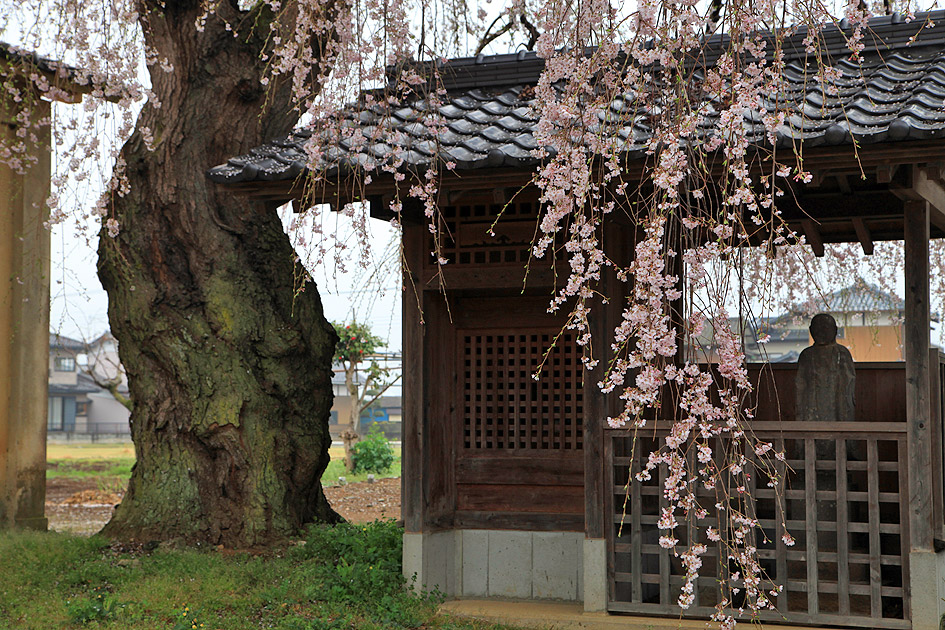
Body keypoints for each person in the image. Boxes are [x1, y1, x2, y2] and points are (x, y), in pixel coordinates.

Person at [795, 313, 855, 422]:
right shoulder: (806, 355)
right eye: (817, 328)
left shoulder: (842, 353)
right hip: (811, 406)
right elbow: (800, 386)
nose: (821, 332)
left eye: (826, 328)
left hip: (837, 407)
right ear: (811, 330)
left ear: (835, 330)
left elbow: (848, 386)